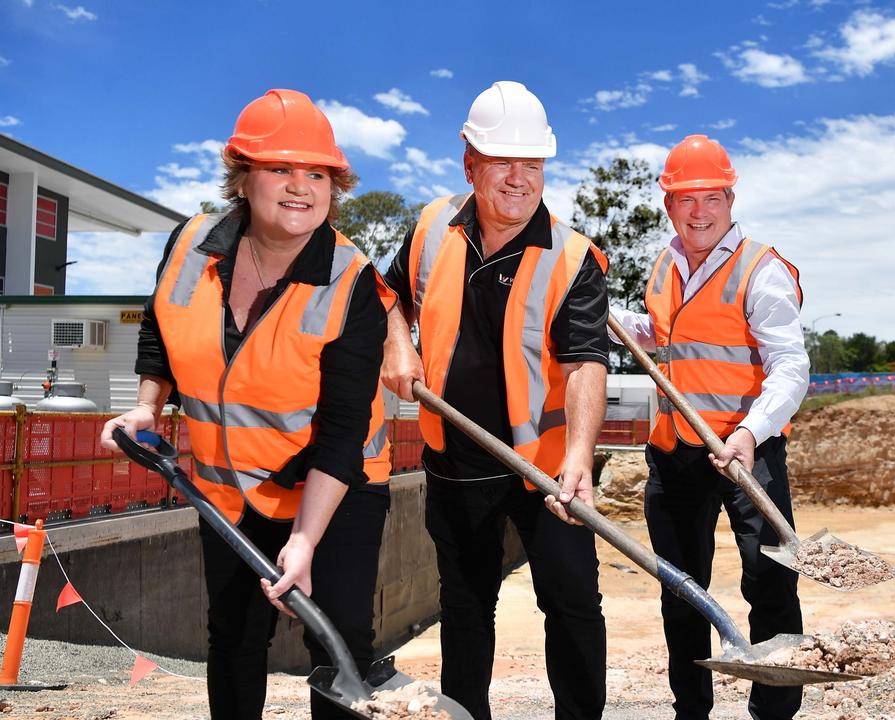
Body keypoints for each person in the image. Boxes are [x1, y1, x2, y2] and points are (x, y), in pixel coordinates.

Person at [100, 89, 394, 720]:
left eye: (316, 174)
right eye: (279, 169)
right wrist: (147, 406)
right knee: (233, 638)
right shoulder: (191, 245)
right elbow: (161, 330)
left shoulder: (351, 281)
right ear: (243, 176)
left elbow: (344, 428)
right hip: (228, 491)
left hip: (333, 490)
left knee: (337, 645)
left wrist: (305, 539)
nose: (300, 188)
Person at [380, 81, 610, 720]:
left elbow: (589, 361)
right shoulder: (431, 227)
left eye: (532, 164)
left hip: (546, 470)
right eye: (503, 161)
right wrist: (399, 346)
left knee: (570, 605)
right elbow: (388, 296)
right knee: (465, 607)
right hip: (454, 461)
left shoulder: (573, 257)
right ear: (469, 163)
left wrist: (581, 461)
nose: (518, 178)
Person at [610, 134, 809, 720]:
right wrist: (604, 314)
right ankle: (689, 709)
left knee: (770, 584)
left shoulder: (761, 270)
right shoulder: (665, 265)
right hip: (675, 453)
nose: (699, 211)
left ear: (729, 197)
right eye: (685, 199)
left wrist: (751, 432)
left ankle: (773, 712)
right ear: (668, 203)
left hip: (749, 451)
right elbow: (661, 336)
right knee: (681, 591)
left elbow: (790, 366)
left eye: (711, 197)